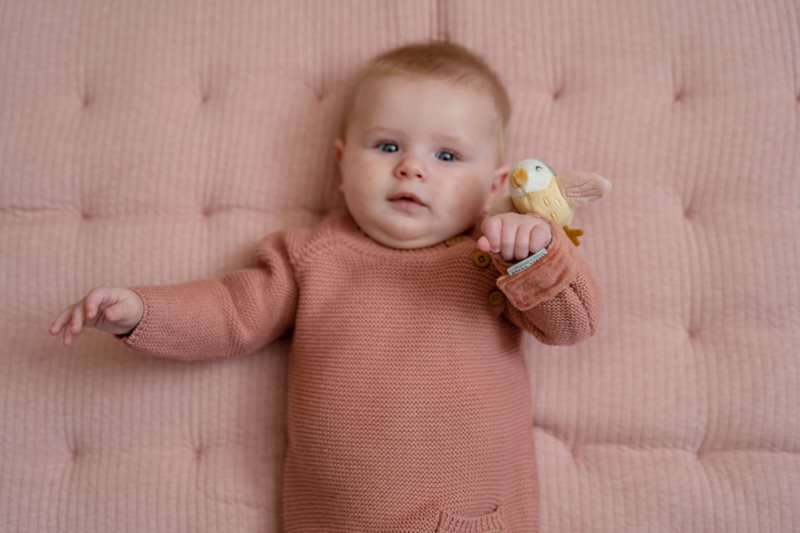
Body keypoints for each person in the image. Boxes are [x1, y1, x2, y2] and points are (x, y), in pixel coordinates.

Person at [49, 41, 601, 532]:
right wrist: (141, 311)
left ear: (494, 185)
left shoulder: (495, 257)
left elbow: (574, 325)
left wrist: (537, 254)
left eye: (447, 156)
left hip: (473, 517)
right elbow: (231, 311)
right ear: (342, 163)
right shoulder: (314, 257)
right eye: (387, 147)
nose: (412, 168)